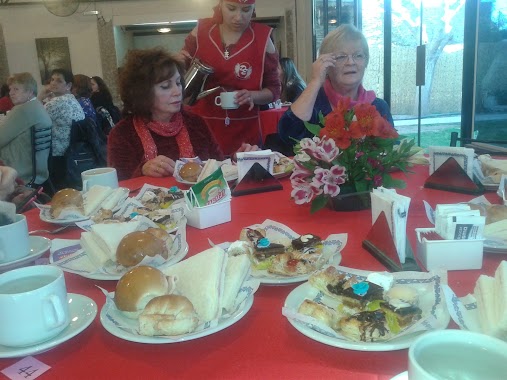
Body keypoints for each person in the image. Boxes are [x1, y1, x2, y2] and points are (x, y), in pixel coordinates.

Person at [107, 48, 258, 181]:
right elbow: (119, 185)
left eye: (178, 83)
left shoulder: (195, 122)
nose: (177, 92)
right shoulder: (123, 133)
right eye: (166, 86)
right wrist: (142, 170)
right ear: (142, 93)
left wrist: (236, 160)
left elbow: (216, 165)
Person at [181, 0, 281, 155]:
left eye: (246, 10)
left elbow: (274, 90)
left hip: (245, 132)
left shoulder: (263, 38)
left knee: (245, 176)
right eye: (231, 9)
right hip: (202, 127)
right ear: (220, 5)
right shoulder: (201, 31)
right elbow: (180, 70)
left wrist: (252, 96)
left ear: (254, 9)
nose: (238, 17)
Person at [278, 24, 394, 149]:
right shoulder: (314, 103)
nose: (351, 62)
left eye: (358, 55)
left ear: (366, 62)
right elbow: (288, 136)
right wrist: (316, 80)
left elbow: (390, 151)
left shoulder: (378, 107)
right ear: (326, 65)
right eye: (341, 57)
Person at [0, 73, 52, 185]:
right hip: (37, 170)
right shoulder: (36, 106)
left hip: (19, 172)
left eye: (16, 89)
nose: (11, 93)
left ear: (29, 91)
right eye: (10, 89)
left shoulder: (23, 110)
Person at [39, 69, 85, 189]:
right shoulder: (72, 100)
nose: (53, 83)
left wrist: (39, 97)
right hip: (73, 151)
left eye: (59, 81)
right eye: (52, 80)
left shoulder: (56, 103)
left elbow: (33, 118)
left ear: (68, 85)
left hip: (58, 154)